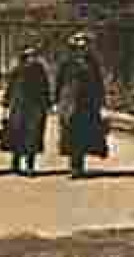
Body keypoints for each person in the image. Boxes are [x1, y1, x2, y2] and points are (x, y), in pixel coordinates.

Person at [55, 32, 109, 178]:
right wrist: (56, 102)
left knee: (84, 134)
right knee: (71, 134)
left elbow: (98, 84)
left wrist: (102, 103)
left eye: (84, 45)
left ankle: (79, 165)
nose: (82, 48)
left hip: (87, 104)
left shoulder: (92, 63)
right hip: (70, 103)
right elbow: (59, 82)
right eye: (79, 45)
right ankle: (74, 166)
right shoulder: (67, 62)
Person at [0, 46, 53, 176]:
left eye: (34, 55)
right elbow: (10, 88)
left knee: (33, 137)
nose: (32, 58)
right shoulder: (17, 70)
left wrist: (47, 104)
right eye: (29, 55)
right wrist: (6, 104)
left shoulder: (40, 70)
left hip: (35, 108)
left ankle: (30, 165)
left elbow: (45, 88)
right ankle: (15, 163)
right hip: (18, 107)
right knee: (17, 134)